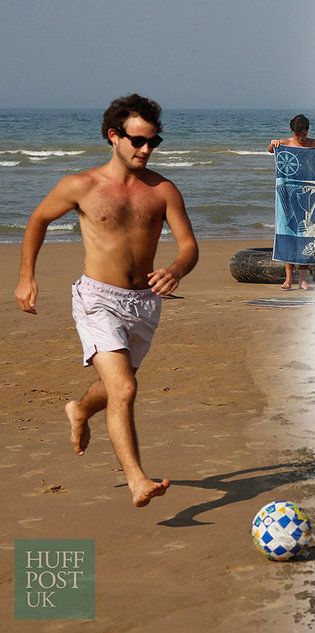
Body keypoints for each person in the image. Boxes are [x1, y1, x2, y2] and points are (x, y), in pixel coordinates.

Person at [14, 94, 199, 507]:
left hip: (145, 302)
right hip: (97, 298)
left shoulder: (163, 190)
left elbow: (189, 246)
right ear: (114, 136)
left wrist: (176, 269)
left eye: (153, 142)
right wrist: (27, 277)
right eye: (137, 140)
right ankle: (136, 479)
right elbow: (39, 219)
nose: (146, 150)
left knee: (116, 387)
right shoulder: (80, 186)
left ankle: (79, 410)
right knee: (125, 387)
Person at [267, 114, 315, 289]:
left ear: (307, 131)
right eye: (298, 134)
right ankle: (288, 279)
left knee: (306, 233)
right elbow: (270, 150)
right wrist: (273, 143)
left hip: (307, 198)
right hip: (290, 196)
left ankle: (302, 279)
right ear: (293, 131)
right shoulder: (286, 144)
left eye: (304, 134)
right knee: (289, 232)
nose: (301, 137)